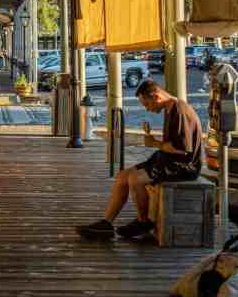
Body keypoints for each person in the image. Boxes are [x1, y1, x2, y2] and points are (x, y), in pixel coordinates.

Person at [76, 79, 204, 240]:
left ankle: (143, 222)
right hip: (167, 160)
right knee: (122, 177)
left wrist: (154, 143)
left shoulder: (179, 110)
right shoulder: (170, 108)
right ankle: (106, 223)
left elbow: (182, 149)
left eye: (147, 104)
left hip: (183, 166)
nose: (148, 109)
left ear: (156, 96)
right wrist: (155, 142)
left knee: (136, 179)